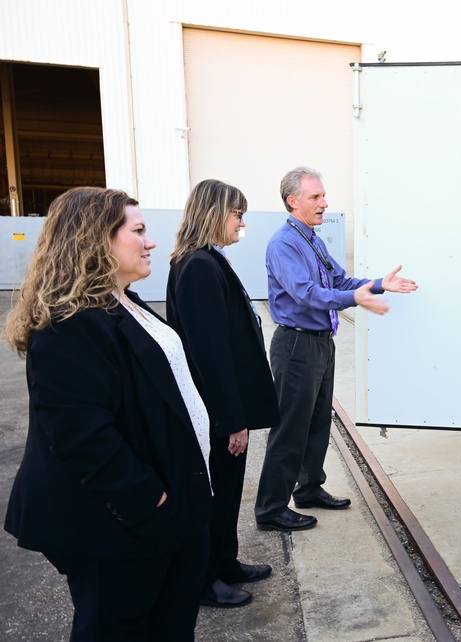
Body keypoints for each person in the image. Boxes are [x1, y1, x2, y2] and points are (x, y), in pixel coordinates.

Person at [2, 187, 213, 641]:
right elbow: (84, 438)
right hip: (120, 527)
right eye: (138, 231)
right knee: (117, 627)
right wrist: (155, 504)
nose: (150, 241)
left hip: (167, 514)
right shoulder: (70, 324)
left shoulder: (124, 304)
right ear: (95, 240)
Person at [255, 166, 417, 532]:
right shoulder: (284, 243)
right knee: (290, 427)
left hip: (319, 344)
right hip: (296, 344)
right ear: (292, 201)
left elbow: (340, 281)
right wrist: (355, 298)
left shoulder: (312, 238)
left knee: (316, 422)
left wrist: (378, 284)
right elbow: (306, 294)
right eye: (315, 197)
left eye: (323, 196)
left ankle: (309, 488)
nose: (324, 203)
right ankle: (270, 508)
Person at [167, 179, 280, 609]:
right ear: (214, 213)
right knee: (216, 493)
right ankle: (206, 577)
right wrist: (232, 420)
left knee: (230, 489)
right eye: (237, 214)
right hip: (219, 412)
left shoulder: (208, 259)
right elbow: (209, 352)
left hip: (227, 407)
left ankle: (225, 560)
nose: (242, 222)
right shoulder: (197, 266)